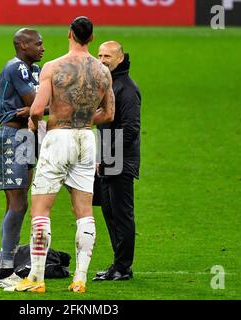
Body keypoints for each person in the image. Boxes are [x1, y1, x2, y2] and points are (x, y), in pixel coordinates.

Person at [6, 16, 115, 293]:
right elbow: (110, 113)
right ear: (91, 38)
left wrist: (37, 120)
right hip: (86, 139)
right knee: (84, 212)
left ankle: (37, 278)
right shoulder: (103, 72)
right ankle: (80, 279)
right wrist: (86, 118)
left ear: (69, 34)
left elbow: (36, 108)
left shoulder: (54, 67)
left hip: (58, 138)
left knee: (41, 210)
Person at [0, 28, 45, 288]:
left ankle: (7, 264)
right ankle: (4, 274)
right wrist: (41, 107)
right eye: (38, 44)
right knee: (17, 203)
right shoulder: (17, 67)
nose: (43, 48)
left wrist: (40, 107)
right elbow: (37, 104)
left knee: (20, 203)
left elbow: (39, 106)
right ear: (23, 46)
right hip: (12, 136)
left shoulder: (36, 70)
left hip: (27, 136)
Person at [93, 41, 141, 281]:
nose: (102, 59)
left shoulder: (127, 88)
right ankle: (119, 264)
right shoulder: (108, 84)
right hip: (107, 158)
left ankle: (123, 267)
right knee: (110, 212)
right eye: (100, 55)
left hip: (119, 161)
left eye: (108, 56)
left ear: (120, 59)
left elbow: (130, 129)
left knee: (121, 214)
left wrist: (108, 156)